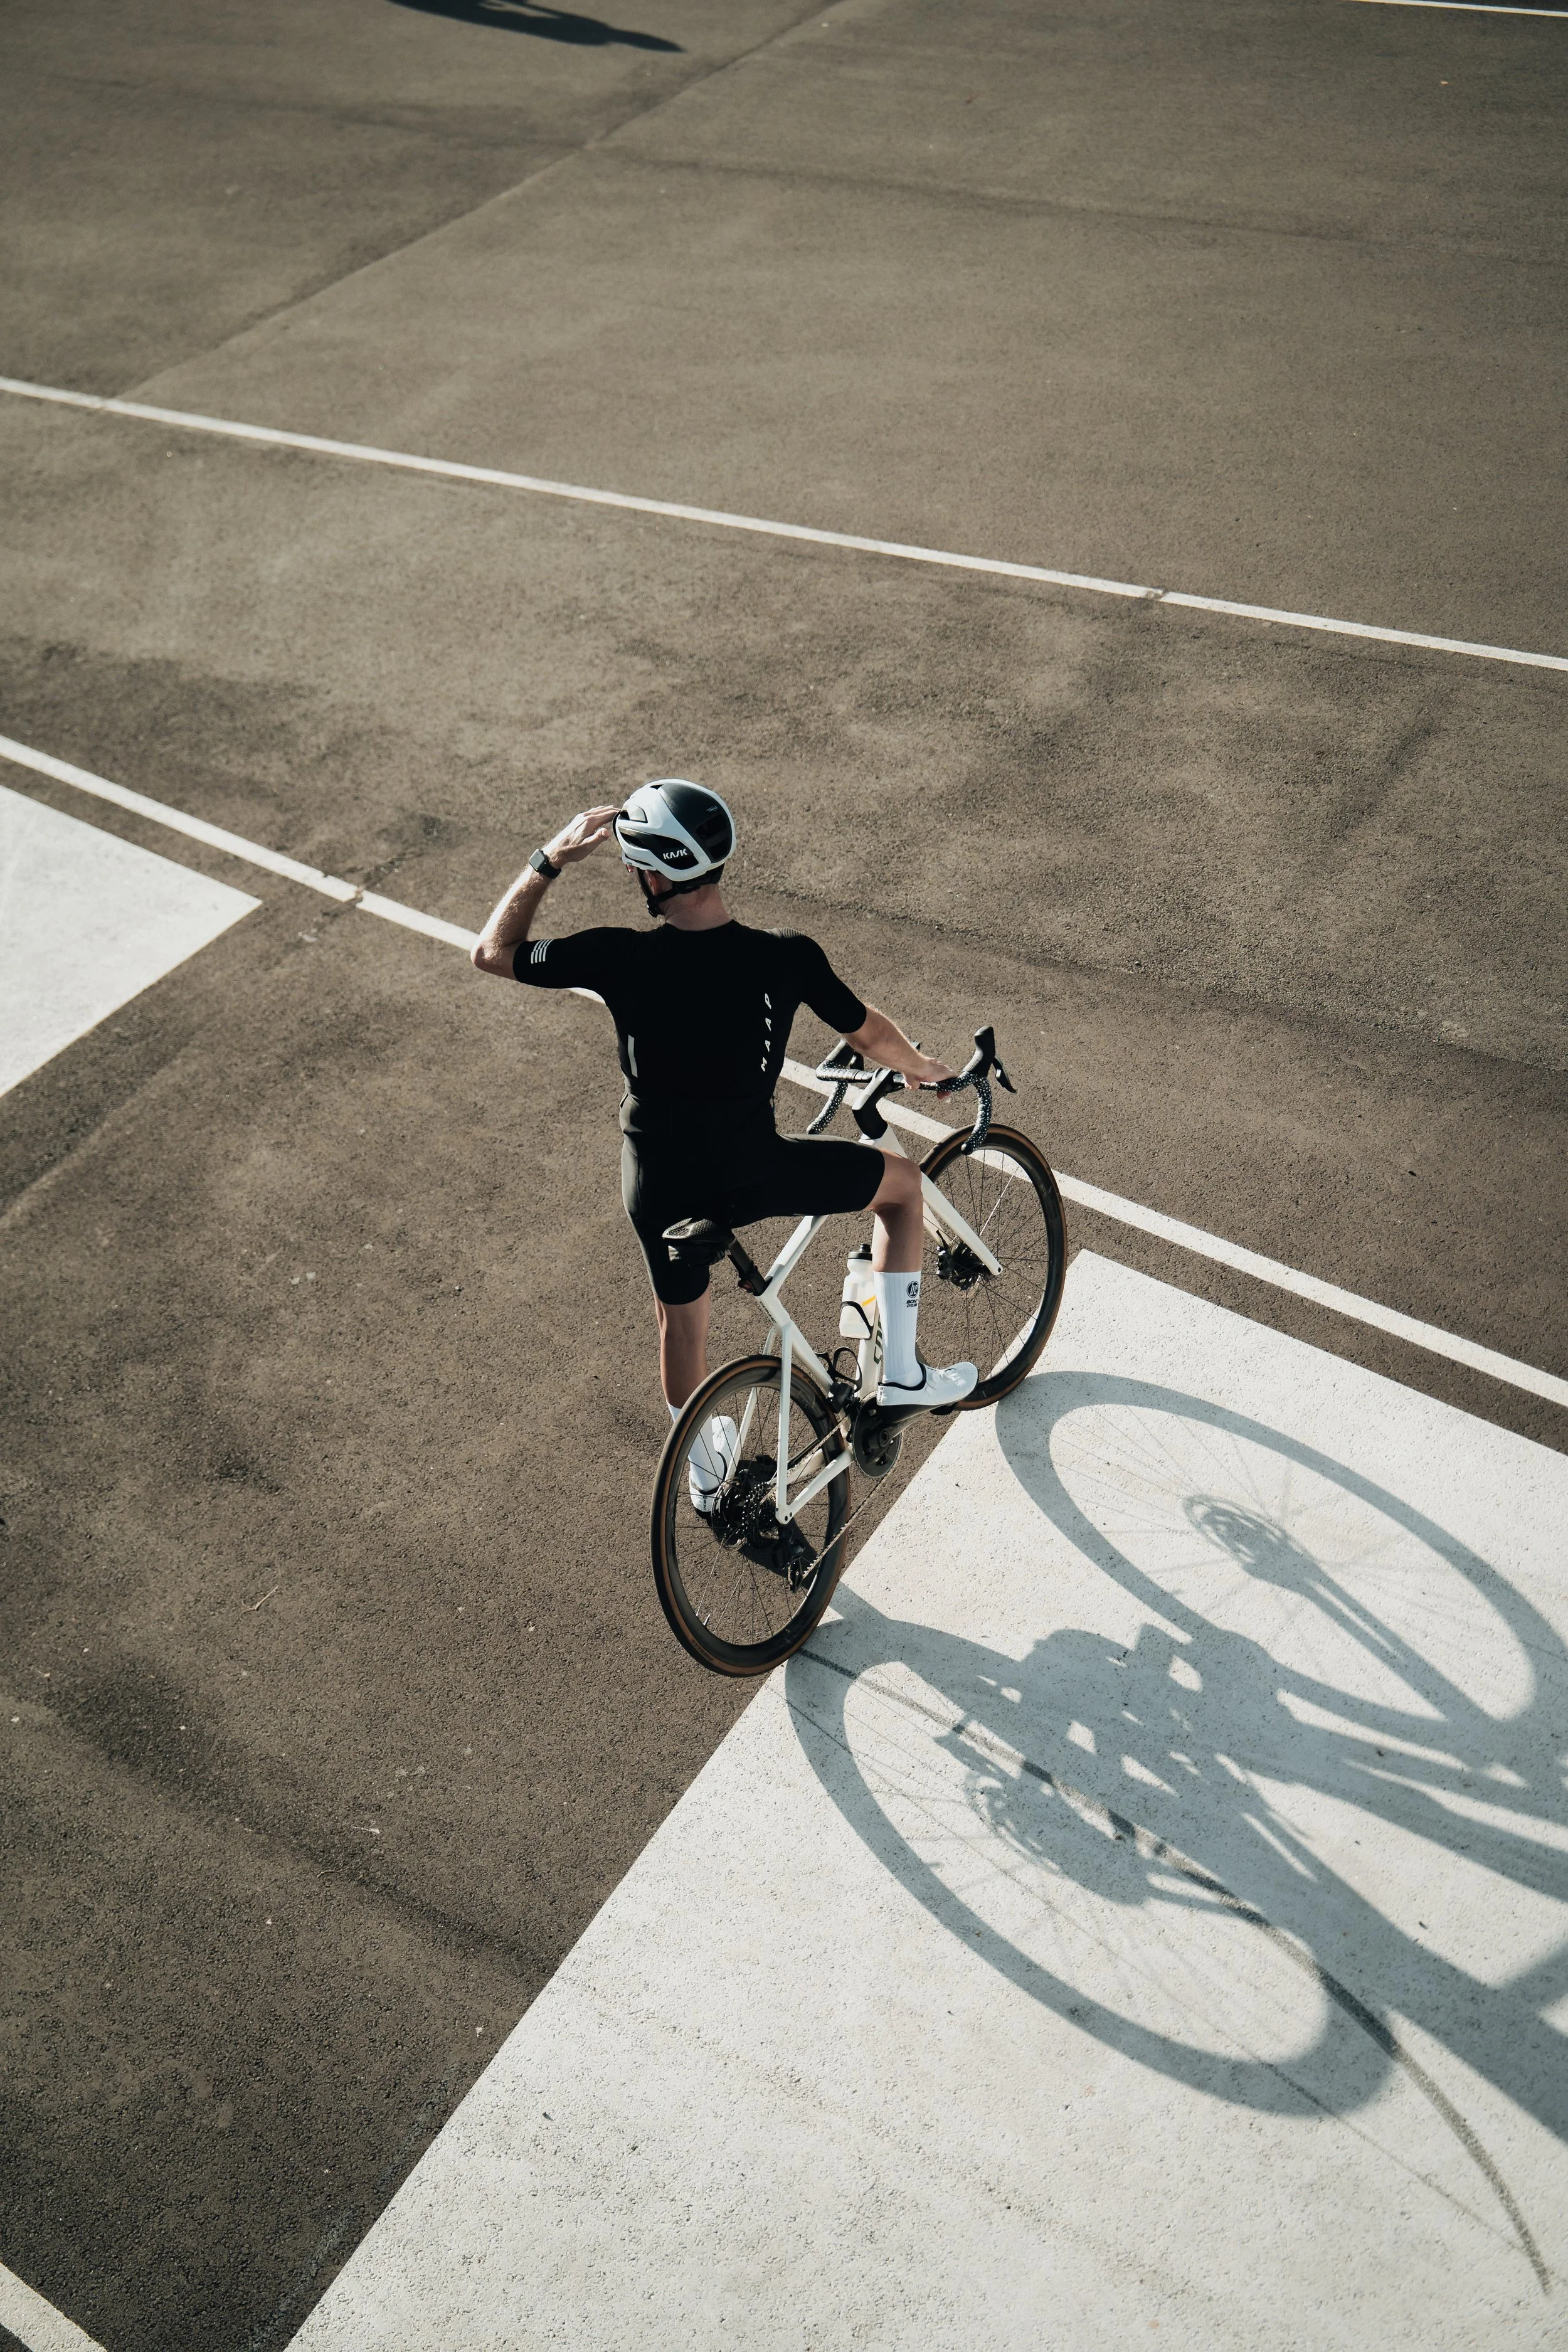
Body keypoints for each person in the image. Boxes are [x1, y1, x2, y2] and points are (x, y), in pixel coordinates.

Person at [471, 780, 977, 1502]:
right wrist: (924, 1068)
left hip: (656, 1183)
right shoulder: (787, 958)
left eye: (633, 864)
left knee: (680, 1324)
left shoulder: (617, 958)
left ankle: (706, 1478)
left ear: (656, 874)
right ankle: (901, 1373)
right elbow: (864, 1031)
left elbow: (493, 951)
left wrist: (549, 858)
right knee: (901, 1191)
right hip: (750, 1172)